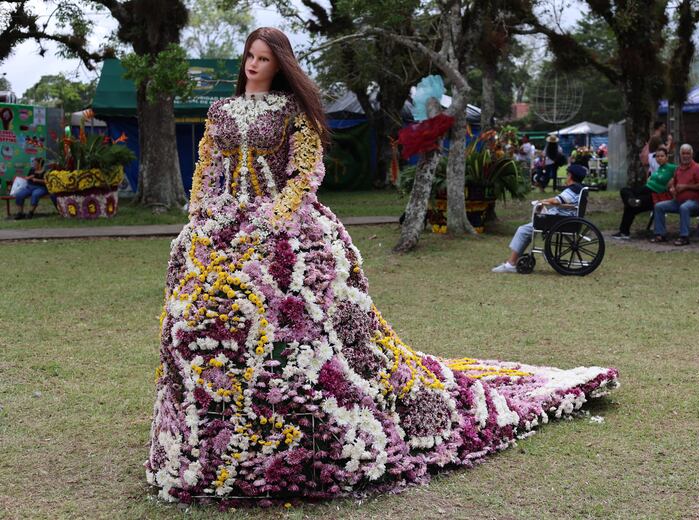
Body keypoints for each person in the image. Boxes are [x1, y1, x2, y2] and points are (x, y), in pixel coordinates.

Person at [145, 28, 618, 503]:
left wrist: (270, 221)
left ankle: (297, 427)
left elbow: (303, 176)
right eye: (249, 56)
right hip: (219, 227)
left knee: (304, 326)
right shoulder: (220, 111)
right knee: (197, 322)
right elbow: (206, 172)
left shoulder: (294, 113)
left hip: (282, 226)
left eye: (264, 58)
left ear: (280, 65)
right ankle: (207, 432)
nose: (253, 65)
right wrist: (204, 217)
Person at [492, 164, 588, 272]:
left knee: (523, 230)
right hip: (563, 219)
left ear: (570, 176)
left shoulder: (573, 189)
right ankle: (512, 262)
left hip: (560, 221)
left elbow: (557, 200)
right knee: (531, 225)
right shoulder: (579, 189)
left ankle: (511, 264)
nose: (566, 176)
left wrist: (541, 201)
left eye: (567, 174)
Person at [612, 146, 676, 239]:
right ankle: (632, 201)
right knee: (624, 190)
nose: (659, 158)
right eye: (657, 156)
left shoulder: (672, 168)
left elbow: (682, 173)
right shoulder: (658, 169)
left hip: (655, 194)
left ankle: (624, 232)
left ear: (667, 157)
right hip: (645, 189)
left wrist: (673, 181)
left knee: (630, 207)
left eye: (662, 156)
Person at [651, 144, 699, 246]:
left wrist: (686, 187)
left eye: (687, 153)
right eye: (683, 153)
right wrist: (672, 189)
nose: (685, 156)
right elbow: (674, 186)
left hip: (693, 202)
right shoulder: (678, 169)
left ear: (692, 154)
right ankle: (660, 234)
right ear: (680, 155)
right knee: (659, 206)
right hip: (678, 200)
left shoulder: (697, 168)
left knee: (684, 207)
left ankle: (684, 237)